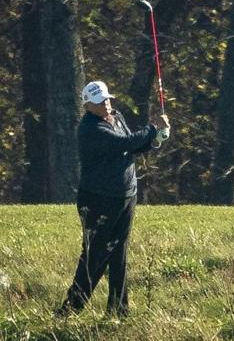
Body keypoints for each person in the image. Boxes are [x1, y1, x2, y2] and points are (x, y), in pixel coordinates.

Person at [57, 80, 170, 317]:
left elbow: (132, 147)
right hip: (98, 200)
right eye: (99, 102)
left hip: (126, 196)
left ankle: (118, 310)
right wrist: (152, 128)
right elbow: (123, 143)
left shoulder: (116, 117)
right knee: (95, 255)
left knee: (119, 254)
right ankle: (70, 310)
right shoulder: (90, 130)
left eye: (107, 99)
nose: (106, 104)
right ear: (88, 105)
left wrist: (155, 139)